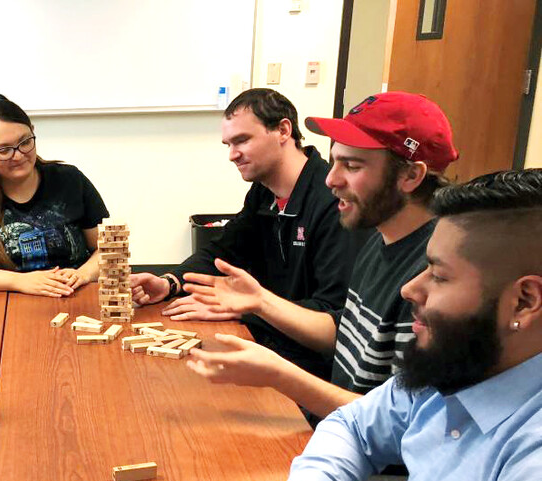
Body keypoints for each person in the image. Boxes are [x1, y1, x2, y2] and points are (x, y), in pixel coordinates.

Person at [256, 170, 542, 481]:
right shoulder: (459, 363)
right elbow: (354, 427)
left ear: (524, 301)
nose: (412, 288)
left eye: (440, 274)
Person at [184, 92, 457, 419]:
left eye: (352, 166)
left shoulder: (435, 278)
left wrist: (278, 373)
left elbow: (401, 424)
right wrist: (260, 302)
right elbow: (343, 337)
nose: (330, 179)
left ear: (411, 176)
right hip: (337, 426)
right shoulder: (380, 240)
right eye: (335, 160)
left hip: (368, 455)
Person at [130, 88, 360, 380]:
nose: (231, 155)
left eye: (242, 140)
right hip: (267, 345)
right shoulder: (263, 193)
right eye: (227, 143)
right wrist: (170, 283)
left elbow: (330, 317)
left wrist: (245, 309)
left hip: (308, 370)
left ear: (283, 130)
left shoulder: (334, 204)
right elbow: (222, 251)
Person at [0, 95, 108, 297]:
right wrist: (19, 281)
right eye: (4, 150)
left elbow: (107, 249)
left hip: (73, 296)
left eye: (25, 142)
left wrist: (83, 274)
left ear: (33, 131)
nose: (19, 155)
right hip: (2, 300)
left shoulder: (70, 179)